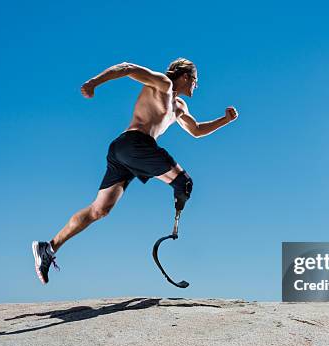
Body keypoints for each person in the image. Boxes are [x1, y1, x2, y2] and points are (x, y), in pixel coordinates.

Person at [32, 58, 238, 284]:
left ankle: (48, 248)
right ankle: (177, 217)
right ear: (185, 76)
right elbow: (128, 68)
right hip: (135, 143)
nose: (196, 86)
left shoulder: (179, 107)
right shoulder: (163, 84)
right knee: (184, 183)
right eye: (195, 81)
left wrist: (225, 120)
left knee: (99, 210)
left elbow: (197, 130)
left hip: (124, 152)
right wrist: (94, 83)